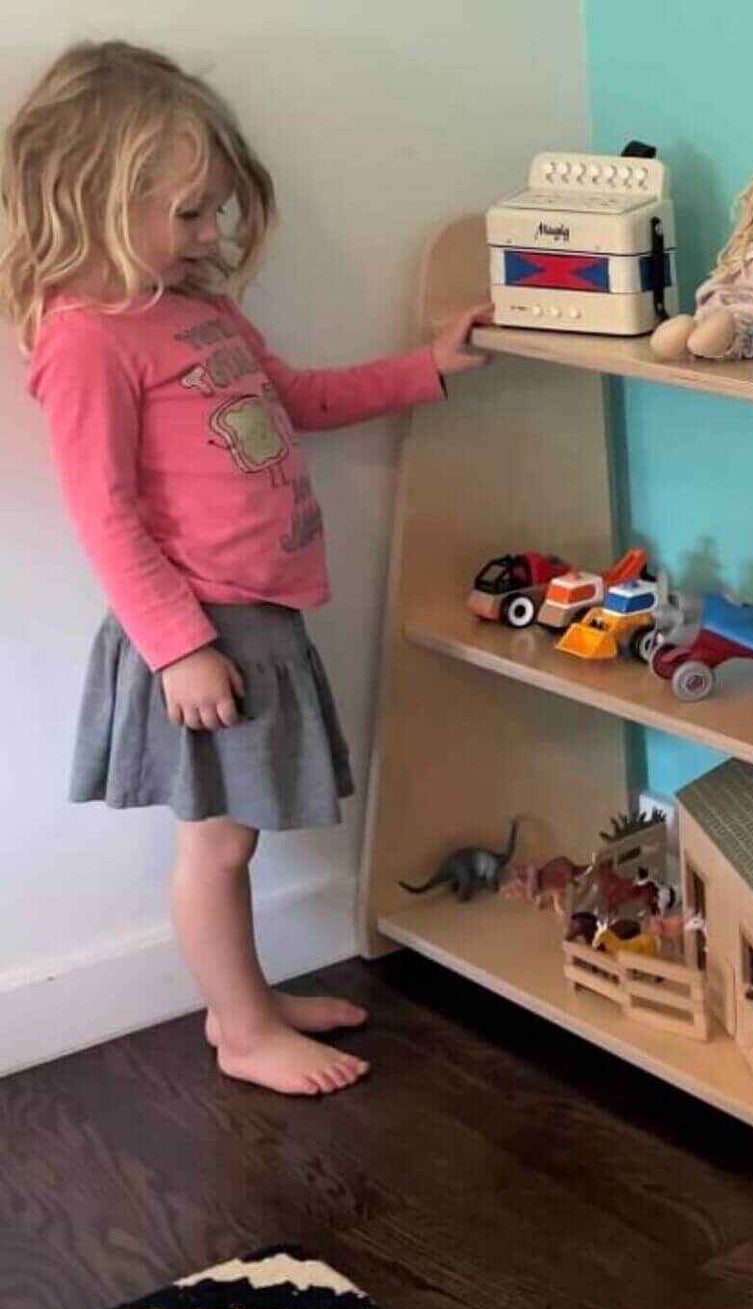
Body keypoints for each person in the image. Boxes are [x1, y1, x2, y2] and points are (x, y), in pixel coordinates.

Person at [3, 41, 492, 1095]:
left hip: (257, 617)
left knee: (235, 841)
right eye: (187, 213)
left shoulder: (198, 309)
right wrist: (179, 647)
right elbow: (103, 512)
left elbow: (296, 401)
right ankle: (237, 1026)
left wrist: (426, 370)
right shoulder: (88, 339)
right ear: (92, 198)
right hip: (199, 628)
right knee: (217, 848)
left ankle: (251, 1001)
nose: (208, 234)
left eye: (212, 210)